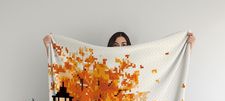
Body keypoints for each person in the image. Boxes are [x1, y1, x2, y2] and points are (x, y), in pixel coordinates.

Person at [43, 31, 195, 50]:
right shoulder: (100, 62)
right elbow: (73, 70)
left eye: (124, 45)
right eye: (115, 45)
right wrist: (50, 48)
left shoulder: (137, 64)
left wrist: (187, 47)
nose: (120, 47)